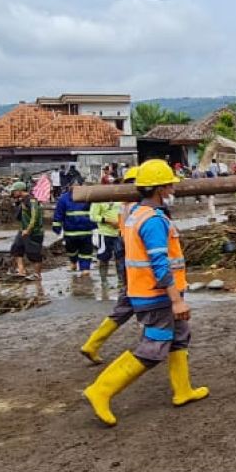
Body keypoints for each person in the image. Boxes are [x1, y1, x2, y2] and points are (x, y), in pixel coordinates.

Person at [82, 160, 206, 427]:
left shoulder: (136, 214)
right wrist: (175, 300)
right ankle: (101, 389)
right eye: (170, 183)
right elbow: (160, 264)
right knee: (154, 347)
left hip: (146, 291)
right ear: (160, 188)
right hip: (157, 296)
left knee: (180, 336)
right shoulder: (152, 222)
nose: (173, 187)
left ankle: (182, 390)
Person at [79, 167, 140, 364]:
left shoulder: (124, 204)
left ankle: (93, 344)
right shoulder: (137, 207)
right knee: (136, 302)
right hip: (133, 255)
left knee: (129, 302)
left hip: (125, 250)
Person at [53, 183, 96, 274]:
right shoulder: (64, 199)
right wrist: (57, 227)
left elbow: (94, 211)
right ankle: (73, 262)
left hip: (86, 231)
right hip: (70, 232)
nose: (76, 187)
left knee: (86, 251)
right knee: (71, 251)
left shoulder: (87, 197)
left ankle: (85, 268)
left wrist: (95, 226)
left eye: (78, 185)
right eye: (74, 185)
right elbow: (59, 213)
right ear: (69, 186)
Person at [10, 181, 45, 280]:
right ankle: (21, 270)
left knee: (34, 253)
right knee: (16, 249)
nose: (13, 193)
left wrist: (28, 229)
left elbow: (35, 216)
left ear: (20, 190)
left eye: (14, 191)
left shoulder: (31, 201)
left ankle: (37, 274)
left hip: (33, 232)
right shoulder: (22, 201)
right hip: (23, 230)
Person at [90, 191, 124, 282]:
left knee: (120, 257)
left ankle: (121, 280)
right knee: (104, 257)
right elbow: (93, 216)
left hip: (119, 233)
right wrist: (106, 220)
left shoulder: (121, 198)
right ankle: (103, 281)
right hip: (105, 234)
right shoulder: (99, 200)